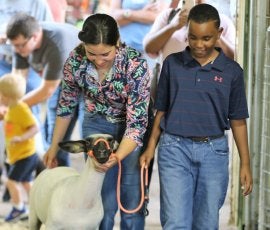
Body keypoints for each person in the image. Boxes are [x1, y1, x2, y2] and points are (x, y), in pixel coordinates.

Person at [140, 3, 253, 229]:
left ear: (219, 34)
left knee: (206, 223)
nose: (199, 45)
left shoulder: (232, 72)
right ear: (187, 34)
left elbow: (238, 121)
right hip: (174, 150)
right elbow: (161, 109)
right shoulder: (172, 64)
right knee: (175, 222)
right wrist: (151, 146)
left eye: (207, 38)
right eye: (193, 38)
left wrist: (245, 164)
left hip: (214, 153)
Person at [43, 13, 151, 230]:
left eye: (106, 53)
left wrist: (118, 156)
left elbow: (137, 124)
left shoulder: (136, 65)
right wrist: (53, 148)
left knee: (131, 198)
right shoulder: (75, 60)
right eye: (92, 53)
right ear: (83, 44)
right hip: (95, 125)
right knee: (102, 199)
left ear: (117, 42)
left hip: (130, 129)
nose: (99, 60)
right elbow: (66, 107)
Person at [6, 12, 83, 167]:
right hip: (61, 81)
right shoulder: (20, 43)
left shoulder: (55, 44)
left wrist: (11, 109)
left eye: (20, 45)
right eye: (14, 45)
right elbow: (18, 82)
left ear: (35, 36)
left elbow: (46, 90)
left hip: (91, 85)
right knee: (52, 139)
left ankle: (64, 184)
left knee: (80, 137)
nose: (17, 50)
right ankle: (54, 178)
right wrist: (9, 102)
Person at [0, 73, 39, 222]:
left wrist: (21, 138)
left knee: (11, 181)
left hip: (26, 155)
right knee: (26, 182)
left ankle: (19, 208)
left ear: (5, 96)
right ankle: (36, 207)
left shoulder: (21, 109)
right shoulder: (11, 107)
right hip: (17, 155)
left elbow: (35, 127)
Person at [143, 0, 236, 62]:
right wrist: (173, 27)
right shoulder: (169, 16)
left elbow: (234, 58)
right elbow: (149, 48)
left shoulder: (223, 21)